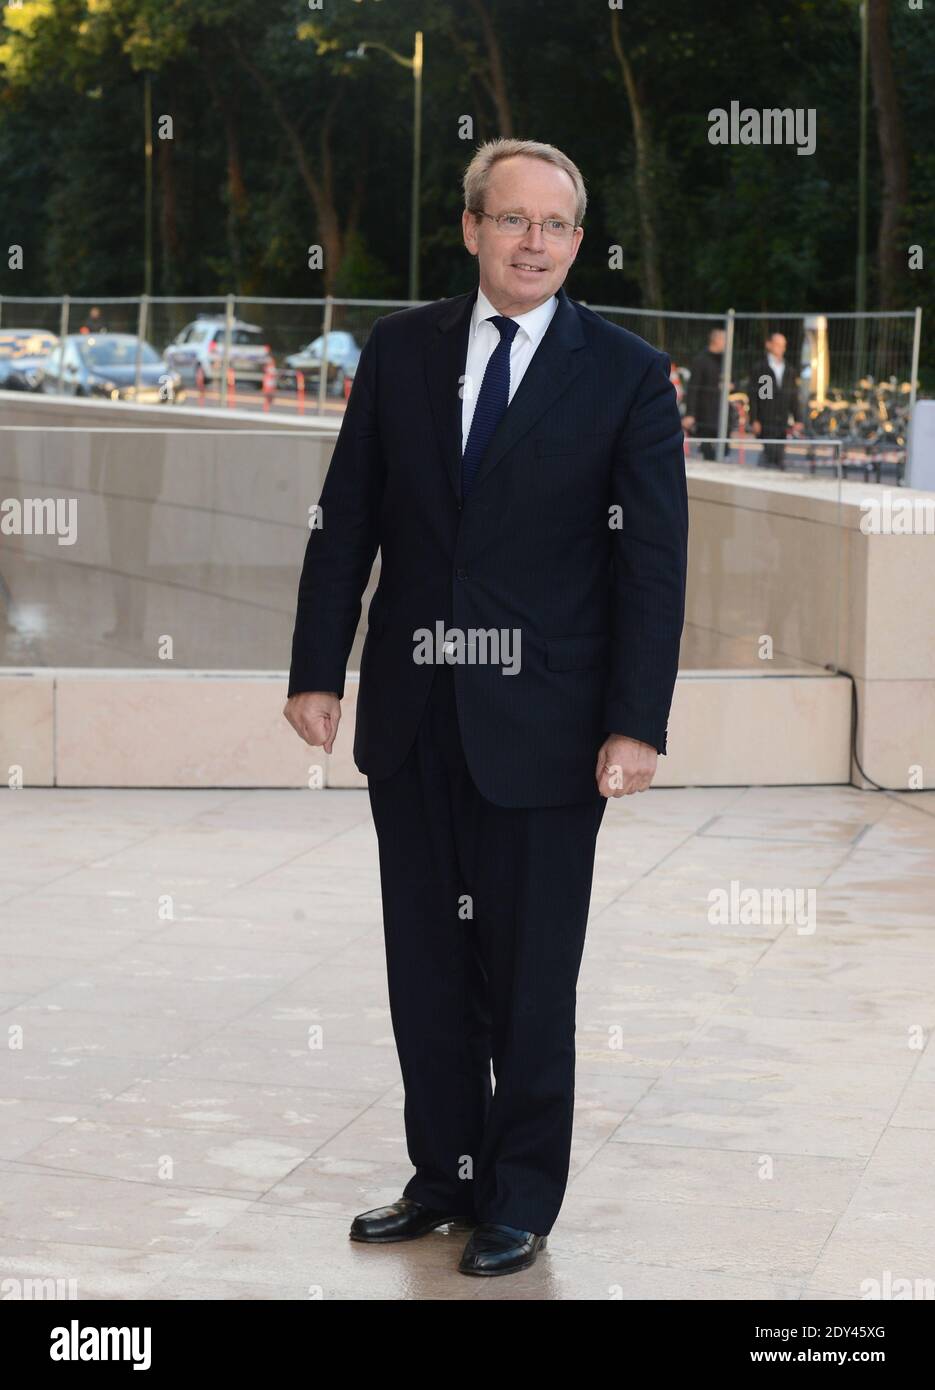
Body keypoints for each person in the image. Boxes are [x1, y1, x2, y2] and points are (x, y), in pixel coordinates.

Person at [283, 138, 688, 1278]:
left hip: (548, 732)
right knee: (426, 963)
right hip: (413, 715)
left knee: (527, 971)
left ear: (575, 237)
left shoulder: (622, 373)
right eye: (512, 221)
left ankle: (519, 1196)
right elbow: (345, 517)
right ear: (470, 230)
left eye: (555, 226)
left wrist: (635, 720)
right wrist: (317, 668)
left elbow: (651, 565)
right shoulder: (400, 350)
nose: (534, 244)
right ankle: (443, 1175)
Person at [747, 330, 804, 468]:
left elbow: (793, 396)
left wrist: (798, 419)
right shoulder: (761, 368)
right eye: (778, 344)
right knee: (771, 451)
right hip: (766, 419)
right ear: (769, 345)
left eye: (783, 345)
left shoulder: (789, 370)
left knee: (778, 452)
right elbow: (755, 396)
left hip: (782, 419)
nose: (781, 348)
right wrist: (754, 419)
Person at [683, 327, 726, 460]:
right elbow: (693, 388)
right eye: (725, 340)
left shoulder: (725, 361)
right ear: (716, 340)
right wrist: (690, 413)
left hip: (721, 412)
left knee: (723, 448)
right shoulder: (700, 361)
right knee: (708, 448)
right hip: (705, 413)